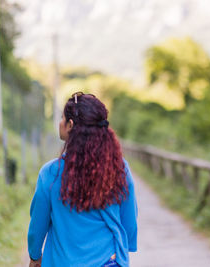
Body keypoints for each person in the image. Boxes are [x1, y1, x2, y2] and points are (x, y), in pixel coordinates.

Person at [28, 92, 137, 267]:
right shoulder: (119, 168)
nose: (60, 122)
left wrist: (35, 256)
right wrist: (127, 246)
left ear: (70, 125)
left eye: (62, 118)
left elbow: (37, 224)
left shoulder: (50, 173)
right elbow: (129, 219)